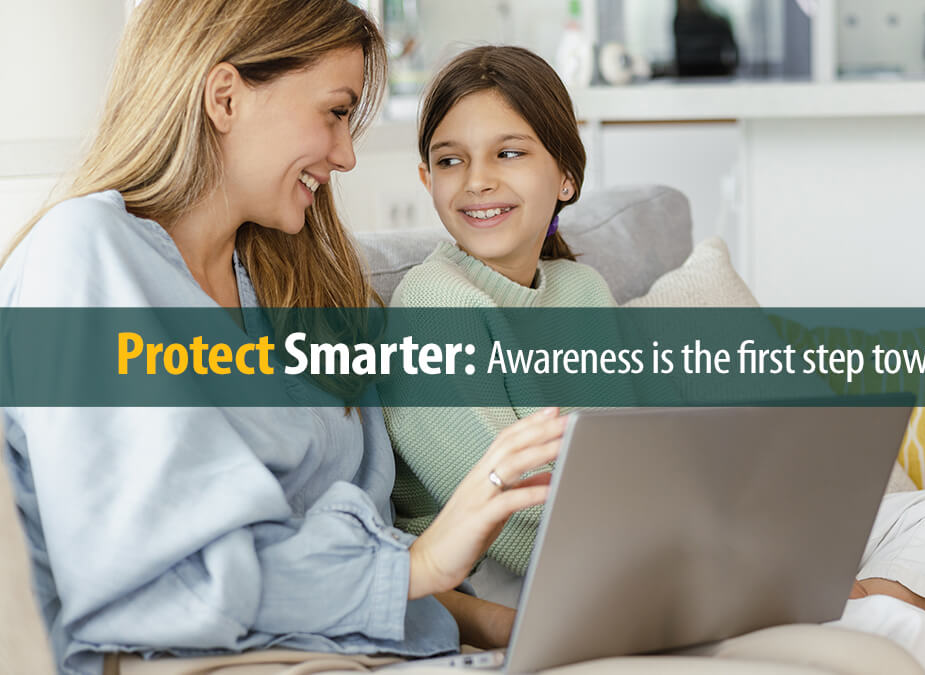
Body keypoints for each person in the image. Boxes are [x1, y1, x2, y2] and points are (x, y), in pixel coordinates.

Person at [385, 45, 925, 675]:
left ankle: (840, 600)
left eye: (508, 153)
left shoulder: (579, 290)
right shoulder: (434, 305)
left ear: (566, 176)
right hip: (521, 572)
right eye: (449, 160)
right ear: (427, 178)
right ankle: (835, 608)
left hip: (637, 544)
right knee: (898, 634)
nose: (477, 180)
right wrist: (717, 560)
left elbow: (626, 451)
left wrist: (731, 530)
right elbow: (508, 519)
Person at [0, 2, 563, 673]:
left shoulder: (302, 291)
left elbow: (383, 575)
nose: (347, 155)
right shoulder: (85, 253)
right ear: (226, 98)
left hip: (383, 650)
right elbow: (157, 589)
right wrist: (416, 565)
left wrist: (512, 623)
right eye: (334, 112)